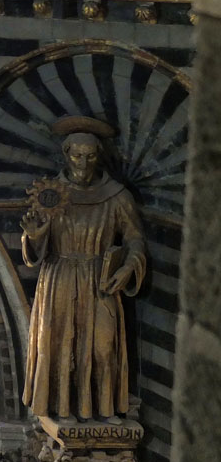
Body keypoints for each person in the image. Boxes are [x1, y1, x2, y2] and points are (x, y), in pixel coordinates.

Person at [21, 117, 146, 420]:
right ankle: (61, 408)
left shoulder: (116, 195)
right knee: (59, 346)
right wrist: (35, 234)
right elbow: (36, 242)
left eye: (90, 156)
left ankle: (103, 408)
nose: (83, 163)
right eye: (77, 155)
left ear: (98, 157)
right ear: (66, 155)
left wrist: (129, 266)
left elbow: (134, 238)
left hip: (99, 279)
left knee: (104, 347)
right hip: (59, 277)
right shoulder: (49, 195)